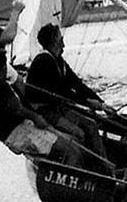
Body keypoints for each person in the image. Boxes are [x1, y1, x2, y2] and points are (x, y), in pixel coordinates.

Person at [0, 46, 83, 167]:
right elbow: (17, 108)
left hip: (10, 136)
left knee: (69, 142)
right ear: (2, 66)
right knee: (72, 151)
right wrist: (36, 118)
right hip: (20, 133)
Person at [25, 24, 111, 169]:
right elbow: (62, 91)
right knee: (78, 133)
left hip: (58, 108)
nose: (64, 42)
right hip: (44, 112)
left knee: (91, 125)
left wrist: (101, 104)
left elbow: (77, 84)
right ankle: (84, 167)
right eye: (61, 38)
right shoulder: (43, 61)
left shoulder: (59, 61)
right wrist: (88, 103)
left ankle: (104, 165)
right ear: (54, 41)